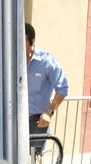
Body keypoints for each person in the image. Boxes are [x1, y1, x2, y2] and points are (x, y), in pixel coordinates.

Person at [25, 22, 69, 153]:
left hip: (36, 123)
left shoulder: (47, 61)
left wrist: (49, 112)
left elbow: (62, 88)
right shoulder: (12, 61)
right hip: (14, 122)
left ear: (32, 41)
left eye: (22, 41)